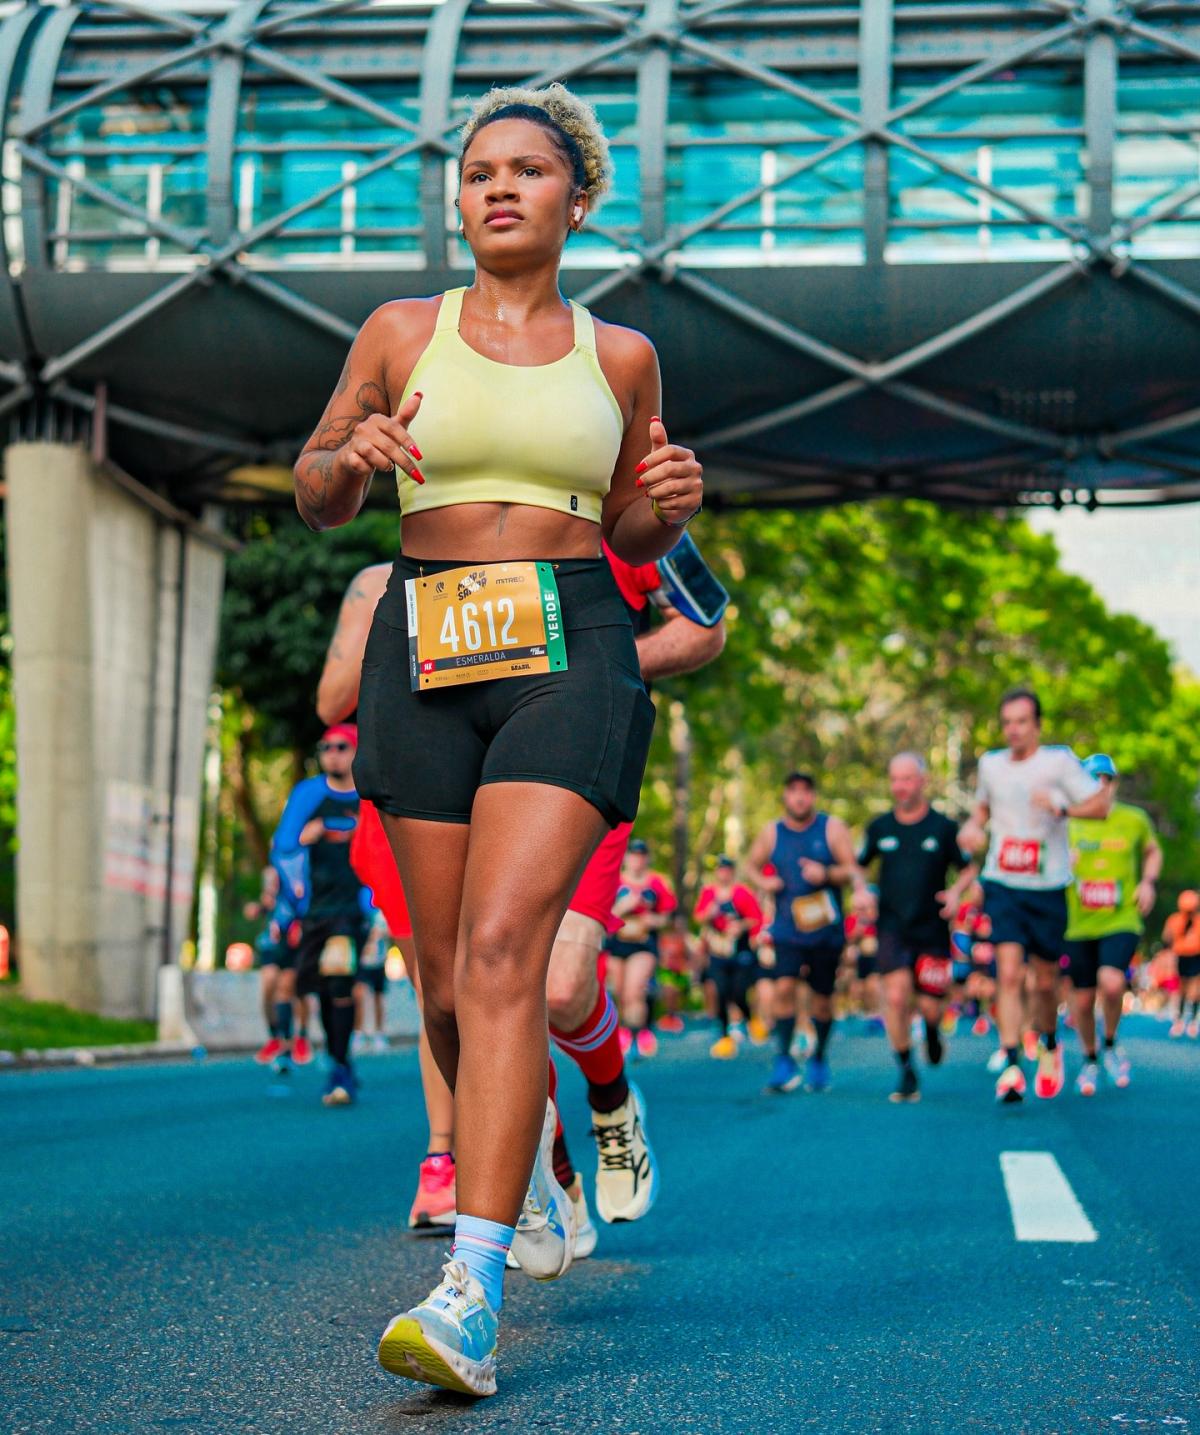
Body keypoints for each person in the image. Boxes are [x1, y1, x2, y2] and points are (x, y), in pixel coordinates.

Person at [293, 83, 703, 1397]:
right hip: (426, 638)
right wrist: (348, 456)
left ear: (577, 199)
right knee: (446, 983)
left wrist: (665, 506)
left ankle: (468, 1287)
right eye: (479, 171)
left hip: (569, 641)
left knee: (504, 944)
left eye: (528, 169)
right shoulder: (398, 330)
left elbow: (638, 536)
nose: (499, 188)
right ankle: (559, 1139)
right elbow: (313, 492)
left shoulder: (621, 355)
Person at [959, 687, 1105, 1104]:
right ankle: (1008, 1062)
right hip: (1003, 882)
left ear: (1037, 725)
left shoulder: (1058, 762)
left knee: (1044, 981)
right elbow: (982, 809)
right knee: (1006, 972)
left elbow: (1099, 806)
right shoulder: (991, 765)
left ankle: (1048, 1044)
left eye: (1022, 722)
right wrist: (973, 827)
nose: (1014, 730)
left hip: (1049, 884)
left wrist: (1062, 810)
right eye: (1007, 723)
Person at [858, 753, 976, 1103]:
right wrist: (861, 890)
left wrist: (956, 893)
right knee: (894, 997)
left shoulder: (942, 827)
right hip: (892, 926)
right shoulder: (879, 828)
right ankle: (906, 1068)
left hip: (932, 930)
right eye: (895, 779)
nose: (900, 786)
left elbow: (968, 868)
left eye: (907, 779)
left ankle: (933, 1030)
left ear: (922, 781)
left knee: (929, 1006)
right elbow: (858, 866)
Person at [746, 771, 872, 1093]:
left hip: (825, 930)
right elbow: (748, 865)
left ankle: (818, 1058)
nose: (799, 798)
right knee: (783, 988)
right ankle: (784, 1059)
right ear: (785, 796)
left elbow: (853, 869)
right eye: (793, 791)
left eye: (805, 791)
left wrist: (827, 873)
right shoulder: (772, 832)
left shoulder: (831, 828)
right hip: (787, 928)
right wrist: (764, 882)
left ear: (813, 796)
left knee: (822, 1000)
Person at [270, 724, 369, 1106]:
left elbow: (387, 852)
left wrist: (375, 908)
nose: (332, 754)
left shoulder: (369, 798)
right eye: (326, 747)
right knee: (323, 988)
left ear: (356, 751)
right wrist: (294, 897)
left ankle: (340, 1069)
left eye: (341, 747)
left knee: (340, 976)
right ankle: (339, 1059)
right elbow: (282, 850)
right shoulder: (307, 794)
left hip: (351, 910)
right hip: (313, 910)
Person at [1064, 753, 1161, 1094]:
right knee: (1082, 997)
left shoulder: (1133, 819)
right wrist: (1065, 862)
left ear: (1114, 783)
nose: (1100, 786)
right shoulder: (1070, 821)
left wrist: (1147, 881)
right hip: (1077, 922)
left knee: (1111, 981)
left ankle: (1109, 1043)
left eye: (1106, 779)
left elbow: (1153, 851)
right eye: (1093, 779)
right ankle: (1090, 1057)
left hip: (1121, 918)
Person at [607, 839, 678, 1058]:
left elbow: (668, 917)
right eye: (633, 855)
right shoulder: (613, 881)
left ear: (646, 858)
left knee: (634, 990)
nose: (637, 860)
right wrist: (622, 907)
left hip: (643, 944)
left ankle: (637, 1035)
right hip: (617, 942)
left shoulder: (656, 883)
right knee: (619, 992)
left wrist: (652, 920)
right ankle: (626, 1031)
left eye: (641, 855)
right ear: (626, 857)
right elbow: (600, 914)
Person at [695, 856, 764, 1059]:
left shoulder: (742, 892)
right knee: (721, 991)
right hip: (718, 951)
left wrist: (740, 926)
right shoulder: (709, 893)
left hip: (740, 950)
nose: (723, 873)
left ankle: (750, 1018)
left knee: (739, 991)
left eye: (727, 870)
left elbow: (756, 918)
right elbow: (699, 917)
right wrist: (710, 913)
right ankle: (724, 1036)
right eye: (720, 870)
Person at [1164, 890, 1200, 1038]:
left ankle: (1190, 1021)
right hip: (1181, 957)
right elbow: (1167, 938)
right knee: (1183, 989)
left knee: (1194, 989)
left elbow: (1166, 937)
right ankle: (1181, 1020)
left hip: (1195, 956)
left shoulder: (1197, 921)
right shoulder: (1175, 920)